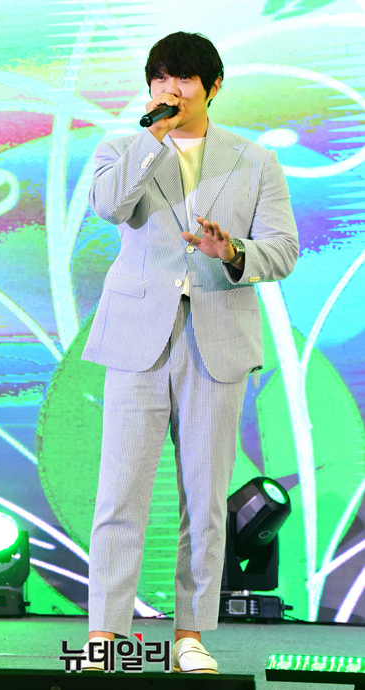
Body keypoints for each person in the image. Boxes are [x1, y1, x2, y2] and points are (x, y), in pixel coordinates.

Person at [80, 31, 299, 673]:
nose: (169, 91)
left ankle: (190, 636)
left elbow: (283, 250)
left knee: (204, 501)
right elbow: (107, 206)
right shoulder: (122, 148)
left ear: (213, 87)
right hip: (137, 340)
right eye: (159, 79)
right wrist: (151, 140)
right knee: (119, 494)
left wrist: (231, 251)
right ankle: (106, 637)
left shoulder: (255, 160)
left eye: (183, 80)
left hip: (217, 339)